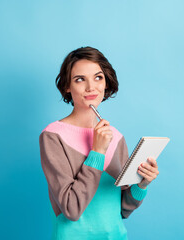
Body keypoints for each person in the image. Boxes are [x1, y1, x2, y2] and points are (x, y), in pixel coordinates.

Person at [39, 46, 160, 239]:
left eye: (98, 77)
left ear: (106, 82)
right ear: (67, 87)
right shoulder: (53, 136)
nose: (91, 87)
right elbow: (71, 209)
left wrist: (142, 184)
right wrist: (97, 151)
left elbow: (123, 210)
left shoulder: (116, 136)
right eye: (80, 79)